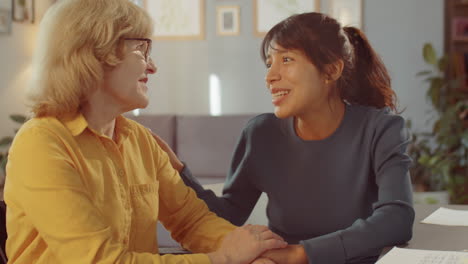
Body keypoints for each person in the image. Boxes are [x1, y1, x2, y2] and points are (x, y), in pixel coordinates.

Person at [2, 0, 287, 263]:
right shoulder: (40, 144)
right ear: (95, 55)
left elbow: (192, 220)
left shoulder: (140, 140)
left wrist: (250, 250)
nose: (152, 67)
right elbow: (102, 261)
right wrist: (221, 258)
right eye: (141, 50)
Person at [155, 12, 415, 264]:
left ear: (331, 70)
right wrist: (177, 170)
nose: (270, 77)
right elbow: (228, 215)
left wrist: (301, 254)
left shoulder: (380, 129)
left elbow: (396, 218)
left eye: (287, 59)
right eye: (269, 64)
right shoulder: (261, 134)